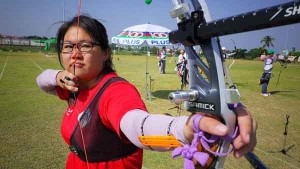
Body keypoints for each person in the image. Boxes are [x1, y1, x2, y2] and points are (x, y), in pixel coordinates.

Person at [36, 15, 257, 169]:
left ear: (105, 53)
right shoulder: (73, 84)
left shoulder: (115, 91)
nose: (74, 54)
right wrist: (57, 76)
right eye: (67, 47)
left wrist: (187, 128)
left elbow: (137, 125)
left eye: (85, 46)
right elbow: (42, 80)